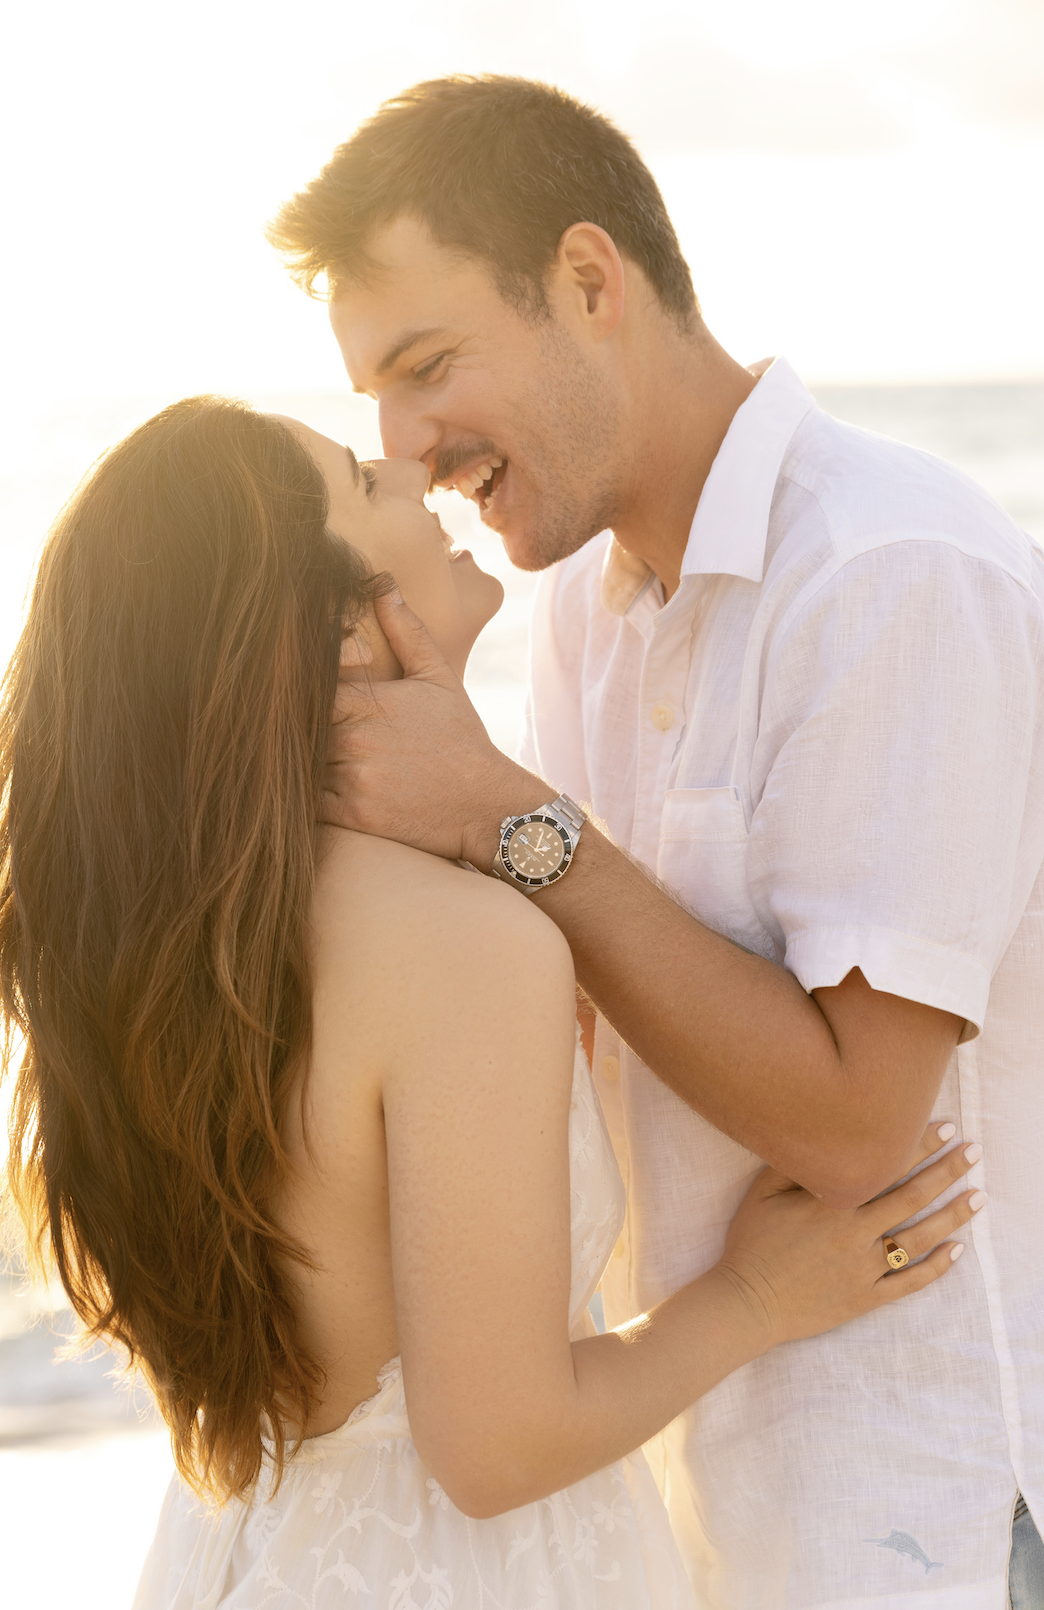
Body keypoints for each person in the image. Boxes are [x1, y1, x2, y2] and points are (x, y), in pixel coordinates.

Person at [268, 75, 1044, 1606]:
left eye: (428, 369)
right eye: (378, 407)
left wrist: (507, 816)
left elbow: (853, 1125)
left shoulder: (889, 577)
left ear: (588, 280)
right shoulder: (576, 608)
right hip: (696, 1493)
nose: (412, 447)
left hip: (920, 1507)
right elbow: (585, 993)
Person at [0, 397, 978, 1609]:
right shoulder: (456, 942)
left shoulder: (207, 940)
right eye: (363, 484)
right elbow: (498, 1445)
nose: (410, 474)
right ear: (334, 631)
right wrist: (757, 1293)